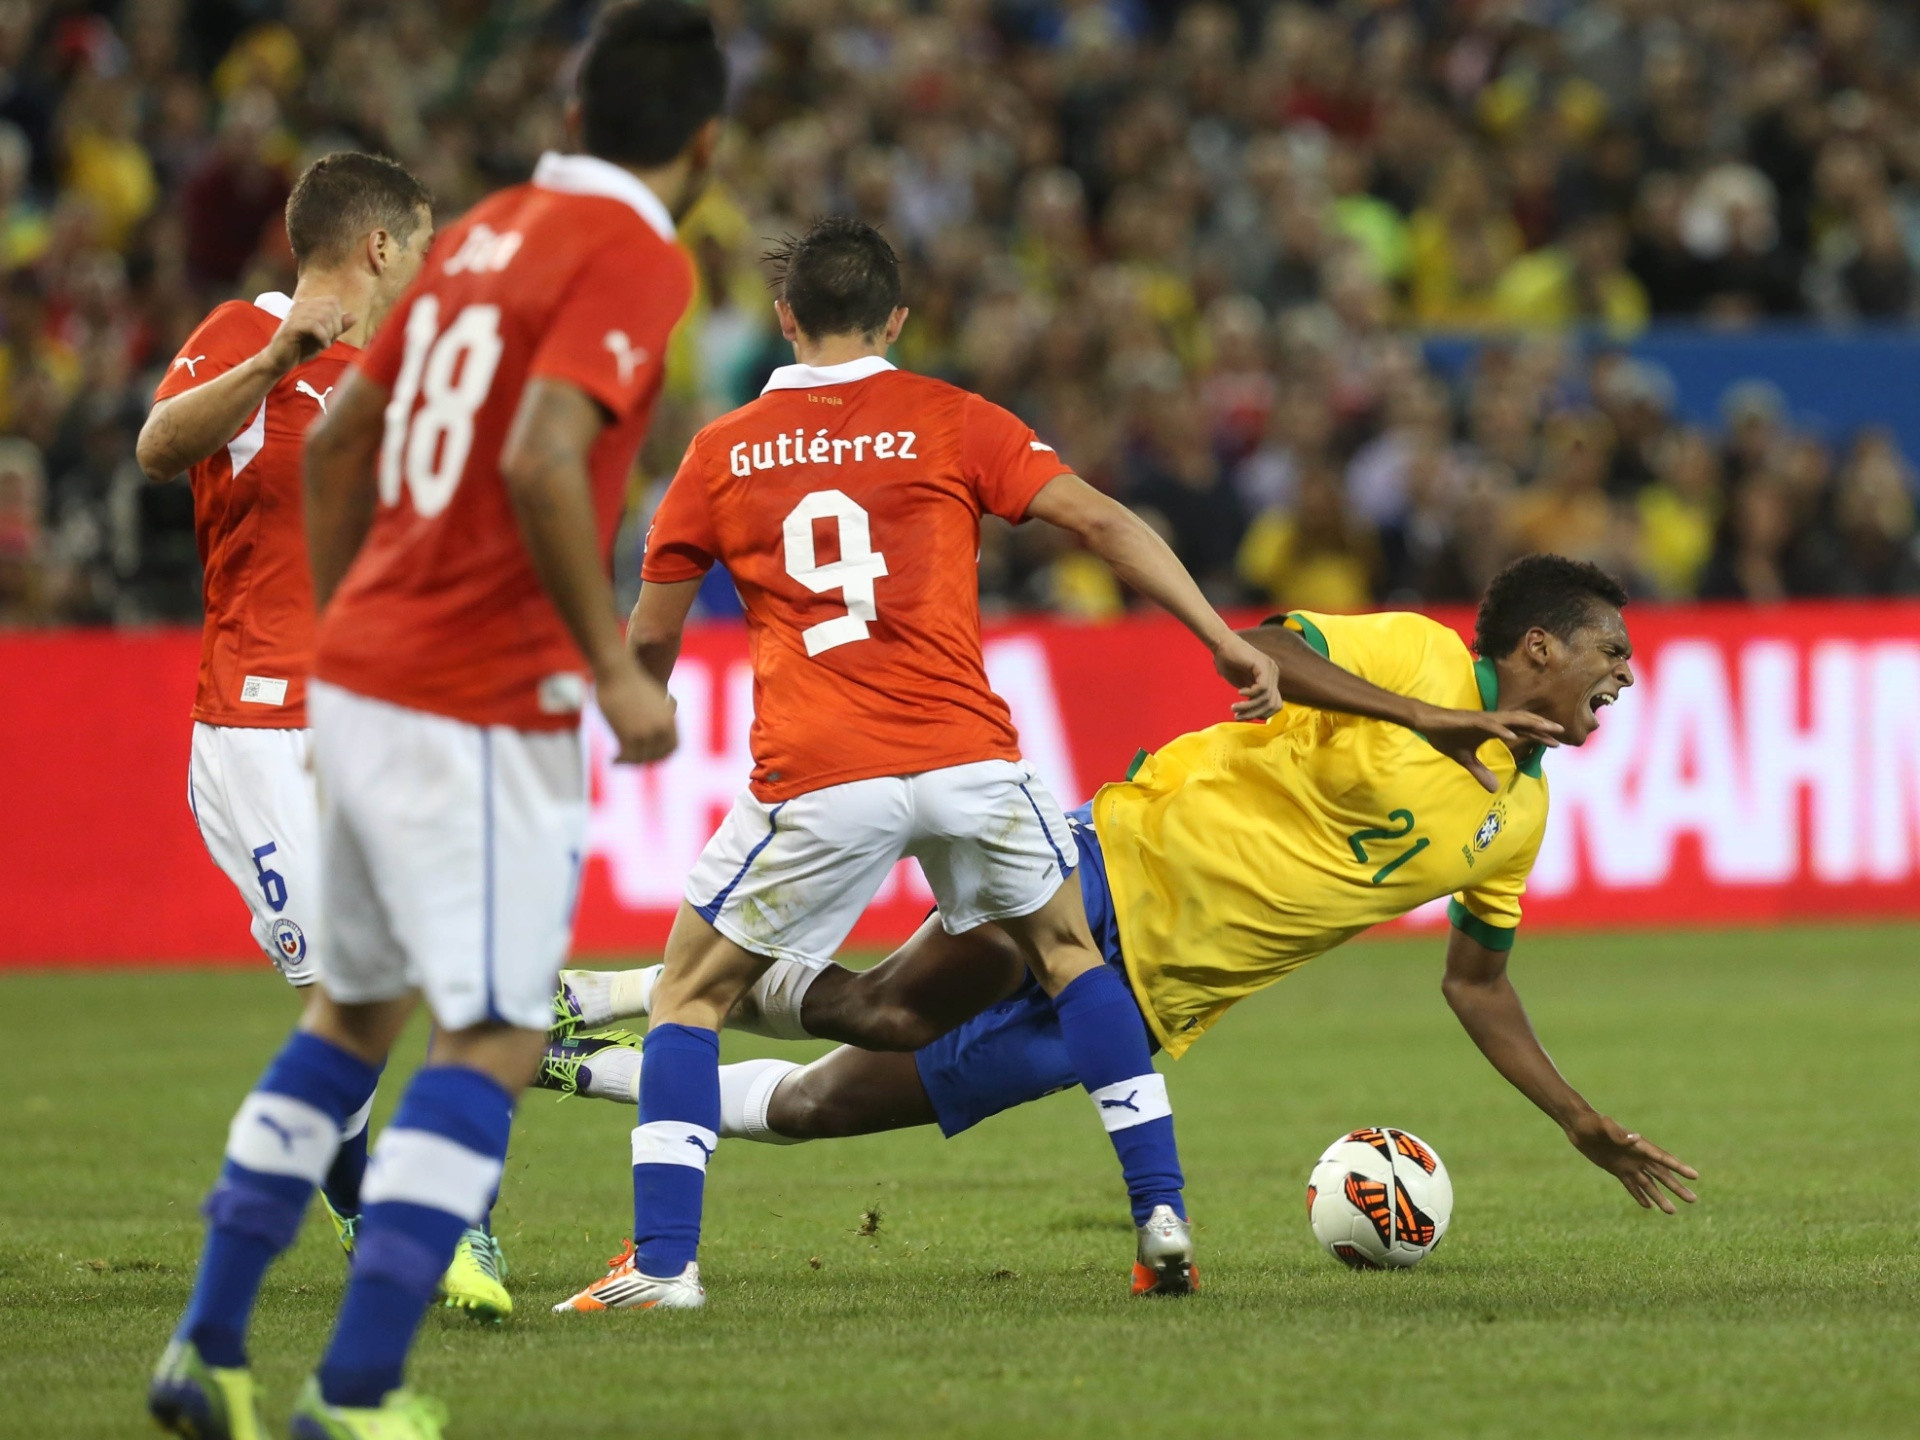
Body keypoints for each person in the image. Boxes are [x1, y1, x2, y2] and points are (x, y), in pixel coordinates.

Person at [146, 5, 723, 1437]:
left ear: (575, 116)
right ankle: (354, 1391)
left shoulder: (473, 241)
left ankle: (208, 1351)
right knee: (486, 1037)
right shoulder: (638, 255)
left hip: (363, 684)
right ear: (702, 147)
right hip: (481, 692)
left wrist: (350, 632)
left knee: (346, 1020)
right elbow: (540, 457)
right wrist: (616, 668)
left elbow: (339, 447)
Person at [552, 216, 1283, 1314]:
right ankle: (1160, 1210)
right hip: (967, 760)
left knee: (692, 995)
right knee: (1068, 956)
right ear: (897, 317)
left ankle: (662, 1264)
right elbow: (1097, 519)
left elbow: (649, 643)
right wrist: (1220, 636)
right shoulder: (951, 417)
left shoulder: (720, 449)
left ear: (787, 319)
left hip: (822, 767)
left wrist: (636, 713)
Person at [546, 556, 1700, 1224]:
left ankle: (566, 1058)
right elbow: (1250, 643)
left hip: (1156, 1007)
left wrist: (1577, 1118)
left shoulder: (1523, 818)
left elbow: (1478, 985)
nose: (1625, 679)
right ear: (1540, 648)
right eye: (1612, 657)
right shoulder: (1413, 654)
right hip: (1106, 871)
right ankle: (612, 990)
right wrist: (1421, 716)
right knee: (883, 1005)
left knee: (818, 1108)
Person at [135, 150, 493, 1304]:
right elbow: (157, 447)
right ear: (381, 245)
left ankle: (434, 1218)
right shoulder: (249, 328)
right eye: (425, 246)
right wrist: (280, 359)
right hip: (260, 725)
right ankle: (379, 1213)